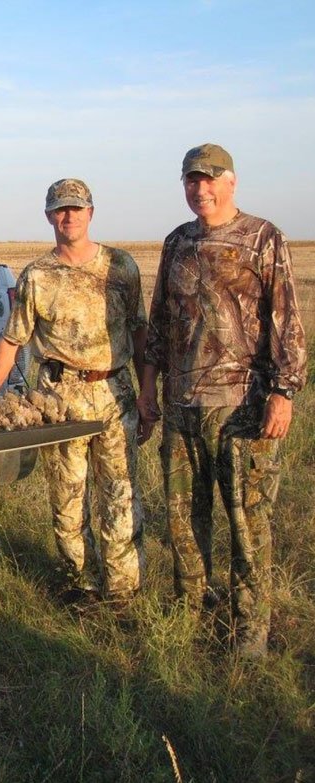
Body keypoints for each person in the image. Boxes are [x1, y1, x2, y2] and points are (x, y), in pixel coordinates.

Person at [138, 144, 307, 658]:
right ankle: (193, 610)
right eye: (192, 180)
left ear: (231, 182)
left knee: (247, 521)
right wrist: (149, 386)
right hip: (182, 405)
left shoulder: (262, 238)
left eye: (210, 180)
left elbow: (287, 321)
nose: (200, 189)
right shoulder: (177, 242)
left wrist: (283, 392)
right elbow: (161, 323)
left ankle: (250, 630)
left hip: (244, 408)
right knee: (184, 519)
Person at [0, 179, 147, 603]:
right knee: (68, 501)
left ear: (91, 212)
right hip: (59, 400)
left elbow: (140, 332)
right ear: (48, 216)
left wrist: (149, 395)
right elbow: (12, 339)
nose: (68, 216)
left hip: (114, 394)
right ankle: (81, 584)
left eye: (76, 208)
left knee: (120, 496)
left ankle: (123, 593)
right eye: (60, 209)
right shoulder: (37, 275)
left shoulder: (121, 267)